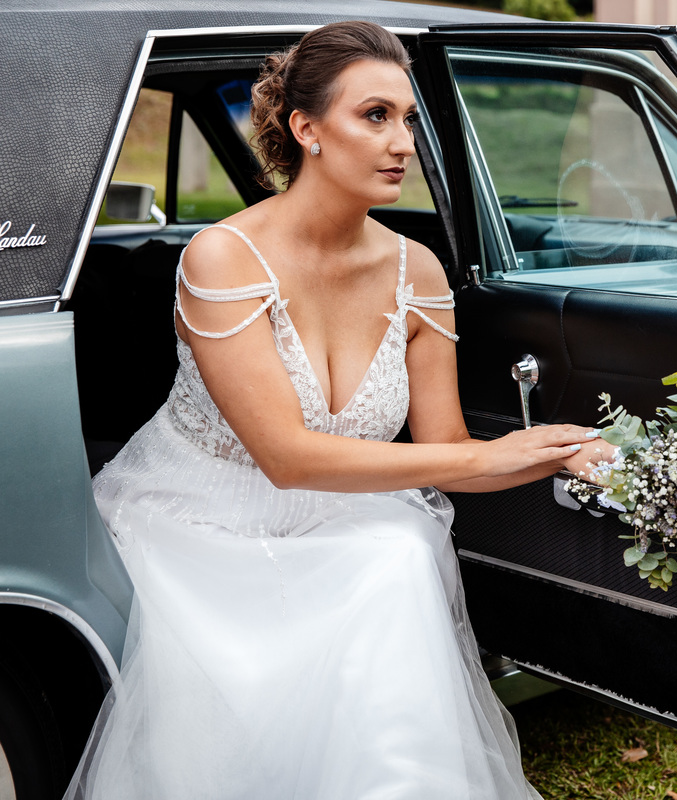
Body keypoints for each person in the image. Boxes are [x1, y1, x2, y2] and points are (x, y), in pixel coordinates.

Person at [66, 20, 607, 800]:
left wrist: (553, 450)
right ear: (307, 128)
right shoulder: (223, 257)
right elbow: (286, 457)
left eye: (409, 119)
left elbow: (446, 447)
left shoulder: (418, 271)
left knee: (396, 558)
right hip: (192, 522)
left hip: (339, 515)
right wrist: (488, 457)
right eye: (375, 116)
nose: (402, 142)